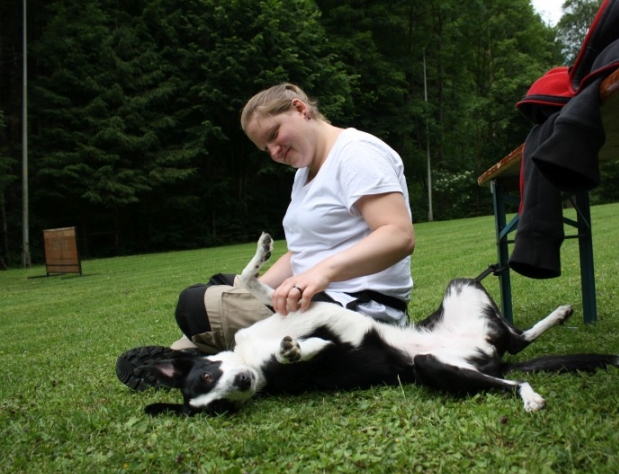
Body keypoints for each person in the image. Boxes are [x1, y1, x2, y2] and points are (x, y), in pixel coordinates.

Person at [116, 82, 415, 390]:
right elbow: (301, 254)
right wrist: (245, 292)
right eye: (265, 149)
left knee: (193, 305)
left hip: (355, 308)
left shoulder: (355, 153)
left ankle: (192, 358)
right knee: (220, 285)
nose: (274, 152)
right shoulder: (305, 175)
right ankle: (198, 355)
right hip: (309, 300)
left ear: (300, 109)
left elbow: (397, 235)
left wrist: (323, 273)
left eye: (274, 135)